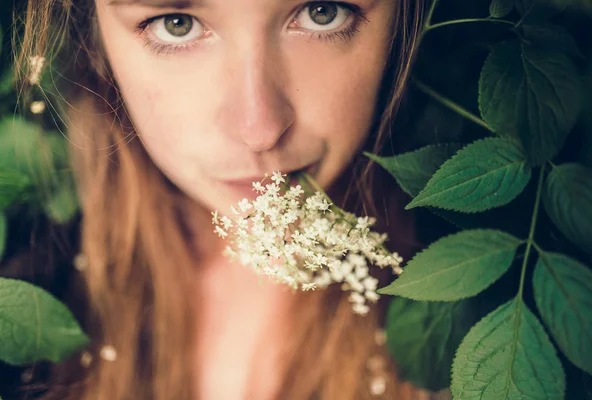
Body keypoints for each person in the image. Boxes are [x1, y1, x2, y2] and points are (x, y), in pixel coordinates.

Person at [15, 0, 449, 399]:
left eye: (323, 12)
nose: (258, 128)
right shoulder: (31, 284)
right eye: (176, 25)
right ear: (95, 36)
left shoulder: (462, 306)